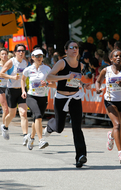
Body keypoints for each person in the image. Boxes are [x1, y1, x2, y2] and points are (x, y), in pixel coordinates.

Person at [43, 40, 91, 168]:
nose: (75, 49)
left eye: (76, 47)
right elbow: (49, 77)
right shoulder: (61, 63)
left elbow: (76, 80)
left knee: (77, 127)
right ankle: (50, 126)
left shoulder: (80, 65)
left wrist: (83, 84)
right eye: (72, 47)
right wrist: (65, 77)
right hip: (61, 97)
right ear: (66, 50)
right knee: (59, 128)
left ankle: (80, 156)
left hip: (75, 97)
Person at [95, 49, 121, 164]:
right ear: (111, 58)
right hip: (110, 101)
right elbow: (98, 81)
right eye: (116, 56)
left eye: (120, 56)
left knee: (117, 126)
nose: (118, 58)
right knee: (117, 125)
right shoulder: (106, 70)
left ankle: (111, 135)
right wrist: (98, 89)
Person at [21, 49, 56, 150]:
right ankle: (41, 141)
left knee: (37, 119)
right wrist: (23, 91)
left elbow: (54, 84)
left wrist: (47, 84)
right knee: (38, 116)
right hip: (31, 96)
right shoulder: (28, 69)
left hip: (43, 97)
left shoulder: (47, 69)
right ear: (32, 57)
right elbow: (23, 79)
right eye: (37, 56)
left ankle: (31, 138)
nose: (39, 58)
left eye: (41, 56)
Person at [0, 44, 29, 145]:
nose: (21, 53)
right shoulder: (11, 62)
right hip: (11, 90)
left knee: (23, 113)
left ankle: (25, 136)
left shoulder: (25, 62)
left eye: (23, 51)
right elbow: (1, 74)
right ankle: (5, 126)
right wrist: (12, 78)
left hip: (22, 90)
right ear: (15, 52)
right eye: (19, 51)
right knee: (12, 114)